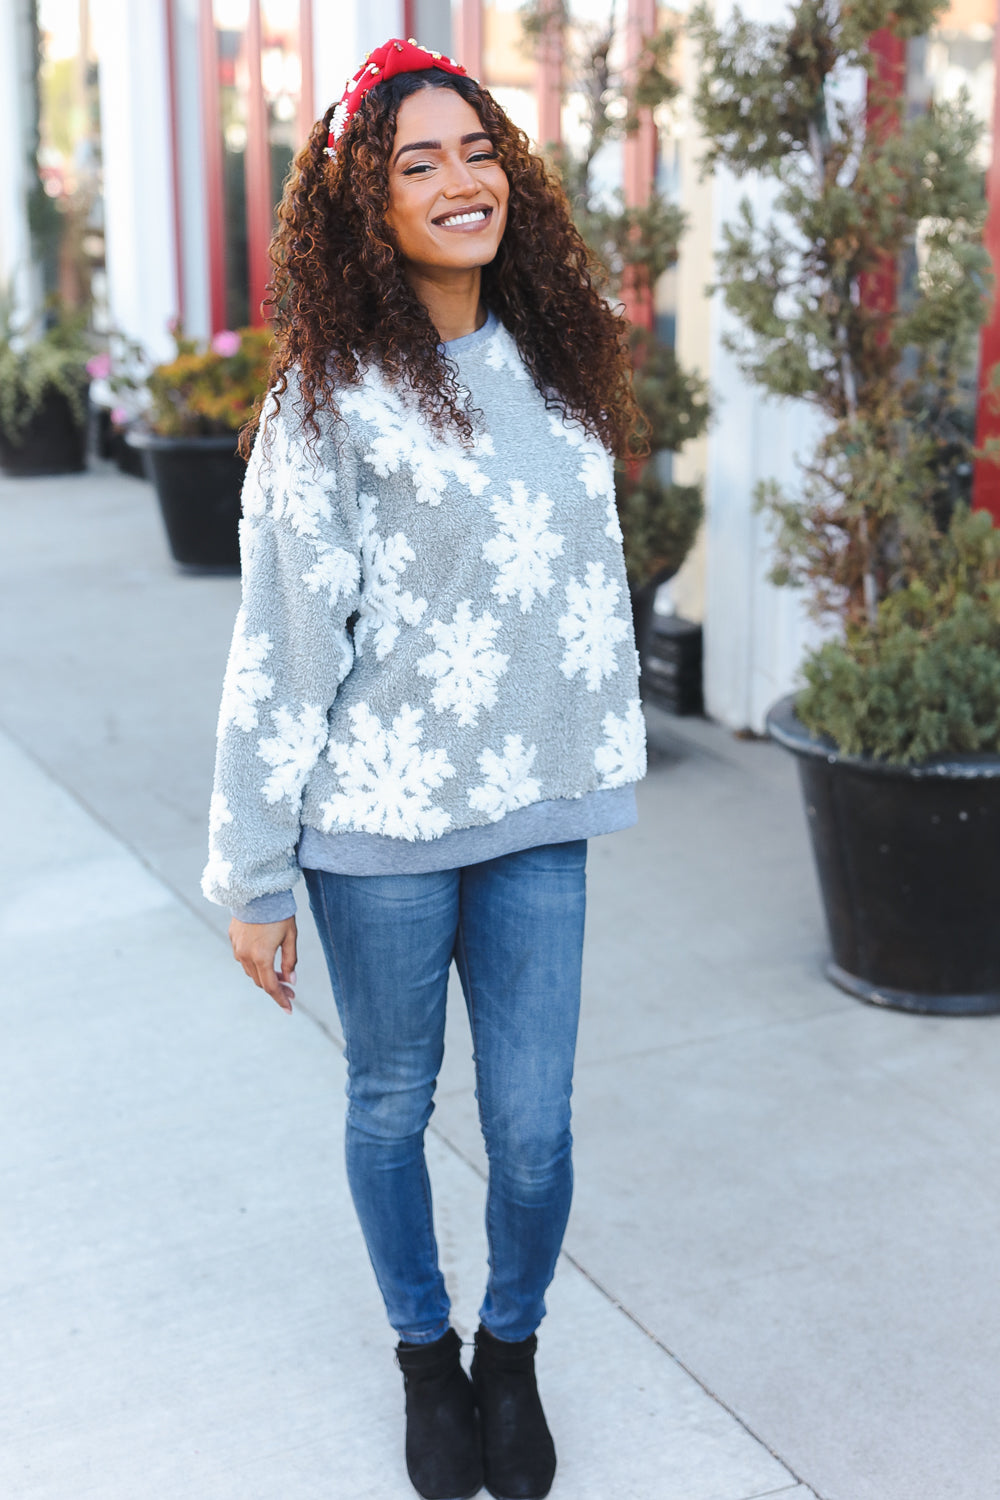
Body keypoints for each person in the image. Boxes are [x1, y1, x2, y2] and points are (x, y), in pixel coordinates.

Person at [203, 36, 646, 1500]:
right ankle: (422, 1356)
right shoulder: (326, 407)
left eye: (478, 153)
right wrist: (254, 873)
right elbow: (279, 648)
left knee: (533, 1129)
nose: (462, 182)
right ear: (365, 208)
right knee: (391, 1105)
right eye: (418, 163)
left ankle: (508, 1351)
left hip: (536, 813)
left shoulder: (563, 350)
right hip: (379, 827)